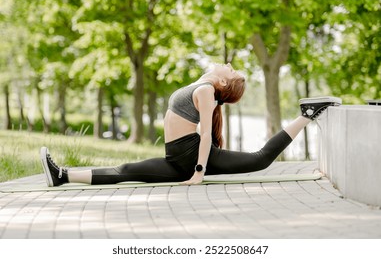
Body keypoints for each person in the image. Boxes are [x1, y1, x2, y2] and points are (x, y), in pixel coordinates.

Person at [40, 63, 341, 187]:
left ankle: (307, 113)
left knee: (260, 159)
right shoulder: (202, 87)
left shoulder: (206, 90)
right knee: (126, 171)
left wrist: (199, 172)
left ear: (222, 81)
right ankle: (62, 176)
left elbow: (206, 135)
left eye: (231, 69)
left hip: (190, 156)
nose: (228, 64)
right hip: (178, 158)